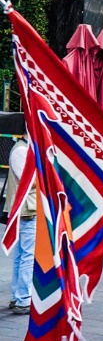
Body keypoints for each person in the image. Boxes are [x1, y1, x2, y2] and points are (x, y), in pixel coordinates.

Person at [5, 133, 36, 316]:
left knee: (23, 254)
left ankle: (18, 296)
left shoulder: (24, 150)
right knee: (27, 255)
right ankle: (23, 298)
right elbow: (29, 182)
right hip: (27, 209)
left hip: (26, 208)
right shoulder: (21, 151)